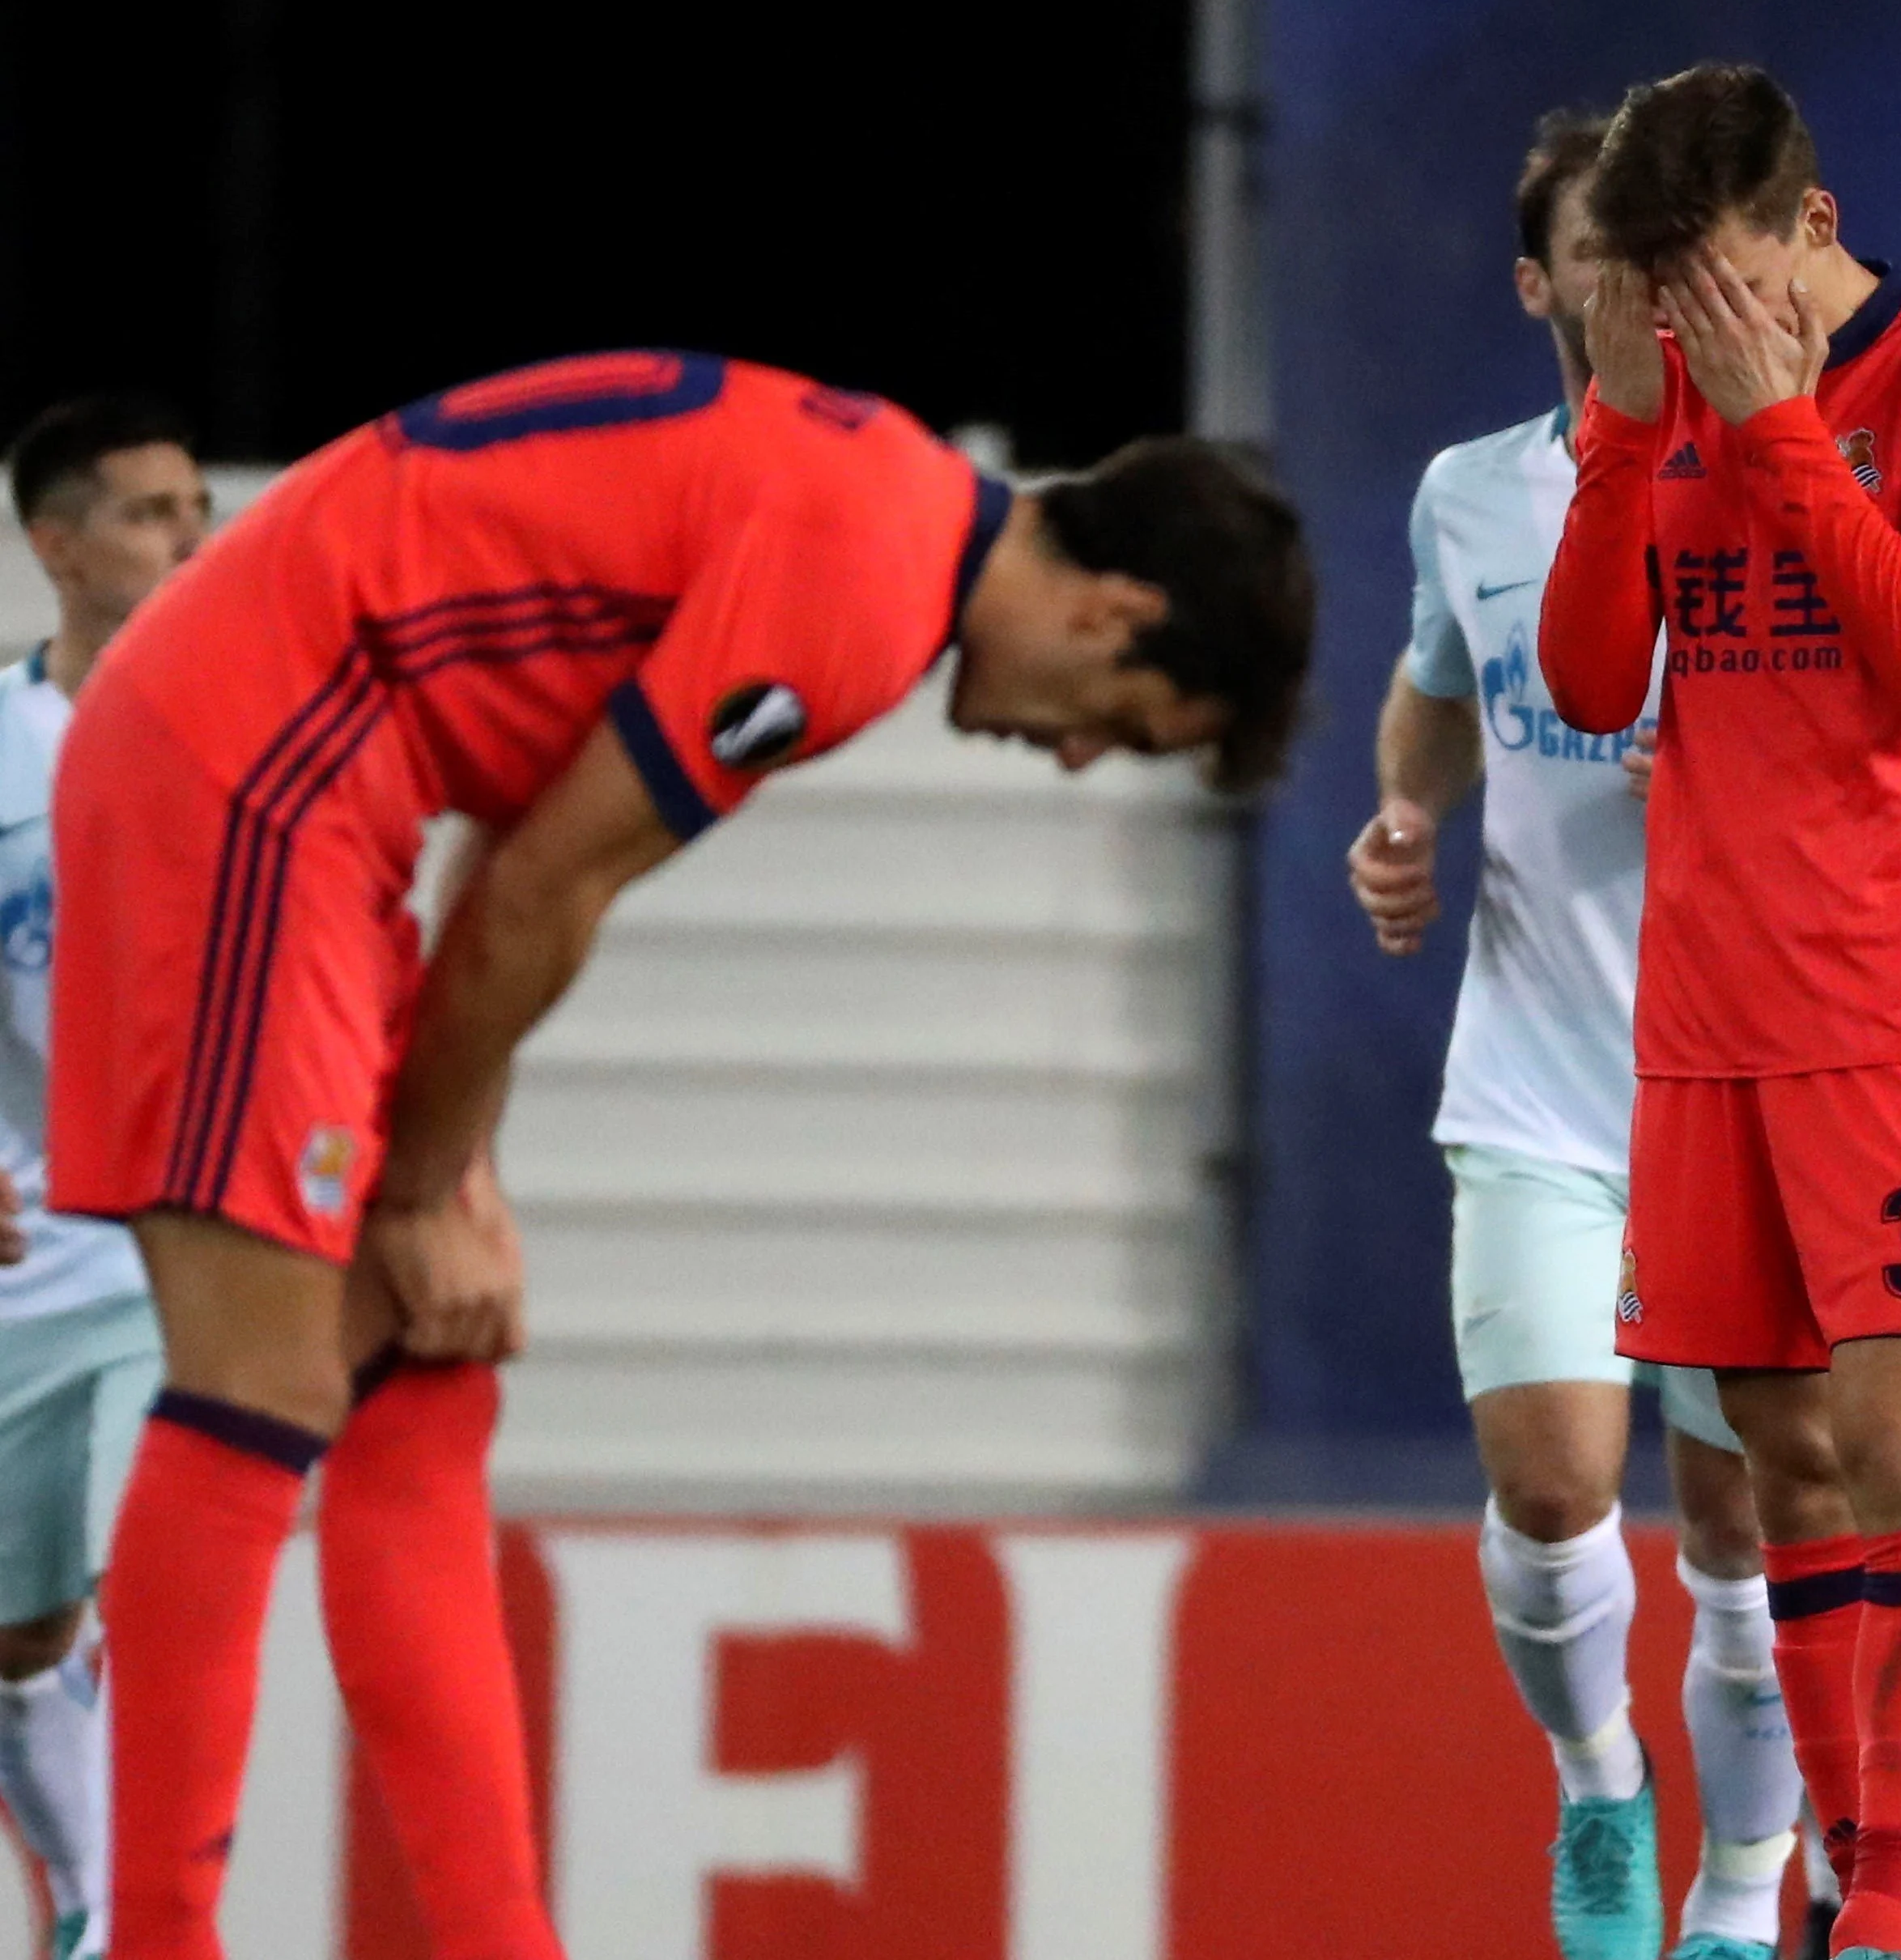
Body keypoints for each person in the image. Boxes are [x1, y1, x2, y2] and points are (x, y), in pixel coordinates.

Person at [50, 355, 1312, 1960]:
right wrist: (425, 1176)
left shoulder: (888, 500)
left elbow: (517, 853)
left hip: (320, 777)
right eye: (1124, 729)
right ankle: (150, 1936)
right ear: (1114, 615)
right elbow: (540, 890)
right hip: (250, 766)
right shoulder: (863, 591)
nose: (1074, 758)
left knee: (426, 1370)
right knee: (264, 1380)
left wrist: (448, 1147)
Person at [1540, 62, 1901, 1960]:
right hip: (1705, 1008)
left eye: (1711, 273)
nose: (1689, 318)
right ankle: (1857, 1882)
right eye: (1654, 286)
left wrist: (1775, 436)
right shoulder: (1666, 384)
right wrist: (1622, 428)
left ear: (1812, 226)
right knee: (1780, 1468)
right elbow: (1597, 676)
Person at [1350, 108, 1810, 1960]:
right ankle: (1604, 1782)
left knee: (1742, 1532)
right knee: (1550, 1486)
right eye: (1598, 249)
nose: (1636, 279)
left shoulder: (1782, 475)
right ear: (1543, 281)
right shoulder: (1474, 494)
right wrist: (1402, 820)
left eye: (1661, 244)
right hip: (1543, 1079)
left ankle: (1734, 1889)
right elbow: (1432, 689)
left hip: (1746, 1088)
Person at [0, 397, 213, 1960]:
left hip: (193, 1255)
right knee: (26, 1634)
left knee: (161, 1569)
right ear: (52, 545)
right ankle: (88, 1896)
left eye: (196, 508)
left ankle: (143, 1922)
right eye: (146, 513)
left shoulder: (249, 740)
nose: (186, 539)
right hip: (26, 1261)